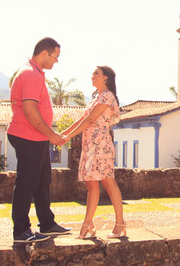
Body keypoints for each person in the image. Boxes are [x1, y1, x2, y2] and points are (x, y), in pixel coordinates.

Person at [7, 37, 70, 244]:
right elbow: (30, 110)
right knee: (27, 182)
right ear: (44, 53)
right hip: (28, 136)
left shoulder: (34, 73)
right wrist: (51, 135)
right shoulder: (31, 74)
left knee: (42, 181)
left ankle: (47, 223)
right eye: (55, 56)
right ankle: (21, 231)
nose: (57, 61)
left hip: (36, 137)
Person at [61, 65, 126, 238]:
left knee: (108, 182)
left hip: (100, 145)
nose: (92, 76)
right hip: (89, 145)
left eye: (96, 73)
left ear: (106, 78)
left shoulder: (107, 96)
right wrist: (64, 134)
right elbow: (83, 119)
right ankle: (88, 224)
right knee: (91, 184)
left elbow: (90, 120)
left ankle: (119, 223)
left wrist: (67, 137)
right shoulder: (96, 98)